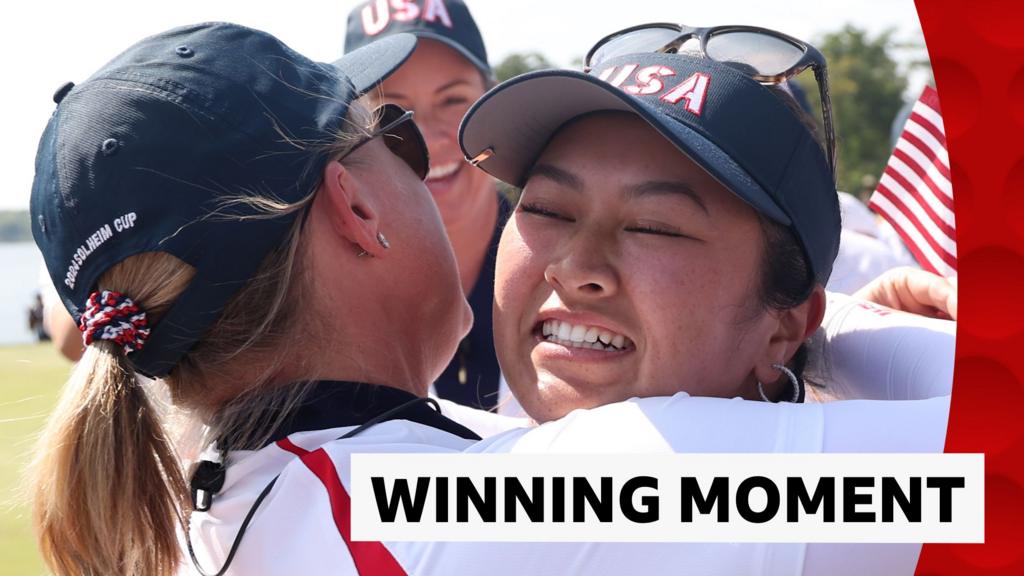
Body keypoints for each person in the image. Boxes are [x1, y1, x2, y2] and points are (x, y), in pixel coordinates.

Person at [27, 23, 482, 576]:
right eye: (394, 137)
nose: (419, 162)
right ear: (357, 207)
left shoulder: (196, 526)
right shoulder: (483, 514)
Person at [344, 0, 513, 411]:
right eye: (392, 111)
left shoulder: (571, 267)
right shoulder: (316, 298)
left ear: (492, 102)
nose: (430, 139)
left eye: (454, 100)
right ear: (348, 129)